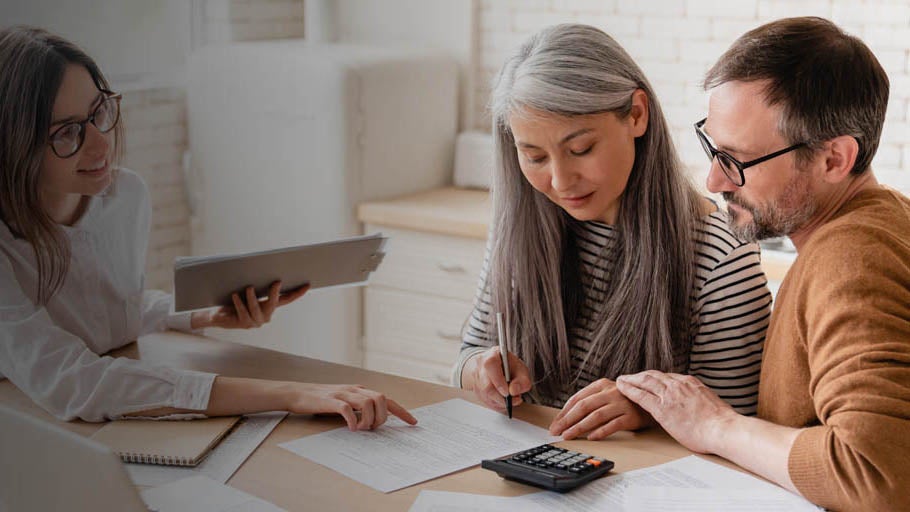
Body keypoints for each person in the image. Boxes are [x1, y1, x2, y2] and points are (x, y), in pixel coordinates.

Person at [0, 26, 416, 431]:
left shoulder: (124, 196)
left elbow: (104, 316)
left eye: (99, 112)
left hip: (104, 418)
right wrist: (289, 394)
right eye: (68, 132)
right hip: (26, 425)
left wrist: (202, 315)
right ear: (14, 142)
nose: (100, 144)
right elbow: (74, 380)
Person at [616, 17, 910, 511]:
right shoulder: (886, 219)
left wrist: (716, 425)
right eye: (712, 148)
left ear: (835, 159)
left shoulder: (850, 260)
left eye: (737, 159)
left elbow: (876, 475)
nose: (714, 180)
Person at [453, 24, 771, 441]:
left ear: (637, 115)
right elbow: (466, 357)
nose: (561, 181)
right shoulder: (520, 227)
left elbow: (737, 424)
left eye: (580, 149)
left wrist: (649, 410)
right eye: (533, 157)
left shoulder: (720, 256)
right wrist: (480, 370)